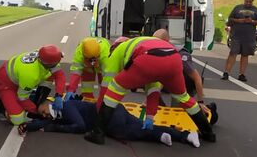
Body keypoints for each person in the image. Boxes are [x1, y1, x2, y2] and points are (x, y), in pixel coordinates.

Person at [85, 34, 216, 145]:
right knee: (183, 98)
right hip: (174, 59)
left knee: (114, 90)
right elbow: (153, 89)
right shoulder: (141, 41)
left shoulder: (117, 52)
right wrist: (150, 116)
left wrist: (98, 111)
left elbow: (106, 88)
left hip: (148, 58)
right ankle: (208, 133)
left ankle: (98, 133)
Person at [26, 98, 201, 147]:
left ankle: (160, 136)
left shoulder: (67, 106)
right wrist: (30, 125)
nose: (46, 116)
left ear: (49, 105)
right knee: (140, 128)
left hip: (110, 116)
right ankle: (185, 135)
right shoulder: (62, 112)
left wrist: (53, 128)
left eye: (45, 112)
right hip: (115, 110)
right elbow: (46, 122)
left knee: (125, 133)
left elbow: (79, 127)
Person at [0, 45, 66, 127]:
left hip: (18, 78)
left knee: (50, 76)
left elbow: (59, 75)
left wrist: (59, 95)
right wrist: (36, 111)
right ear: (49, 64)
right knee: (18, 119)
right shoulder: (31, 74)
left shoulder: (44, 57)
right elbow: (22, 99)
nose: (58, 64)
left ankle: (36, 99)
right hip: (4, 84)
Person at [223, 0, 257, 82]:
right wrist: (239, 20)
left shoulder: (256, 10)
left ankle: (242, 74)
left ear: (253, 1)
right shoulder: (237, 8)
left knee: (245, 55)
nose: (248, 3)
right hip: (236, 36)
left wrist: (251, 21)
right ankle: (226, 72)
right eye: (247, 1)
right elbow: (230, 19)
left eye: (250, 2)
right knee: (233, 53)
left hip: (249, 37)